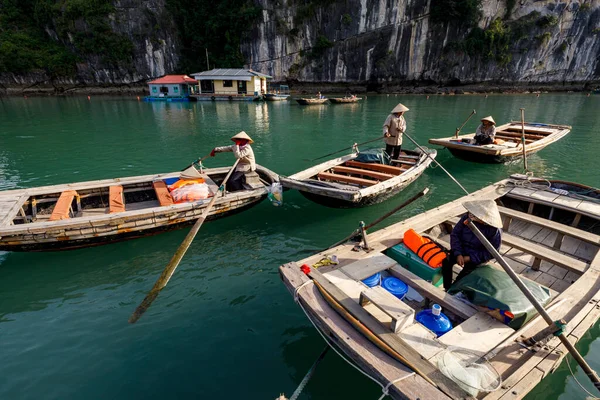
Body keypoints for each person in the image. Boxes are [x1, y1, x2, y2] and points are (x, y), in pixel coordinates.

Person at [442, 200, 503, 291]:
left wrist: (469, 258)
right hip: (461, 250)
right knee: (446, 262)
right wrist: (458, 253)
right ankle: (447, 287)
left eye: (474, 215)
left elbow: (491, 253)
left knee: (463, 278)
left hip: (476, 257)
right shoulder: (466, 218)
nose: (470, 215)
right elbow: (455, 234)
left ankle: (453, 291)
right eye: (471, 213)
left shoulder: (494, 231)